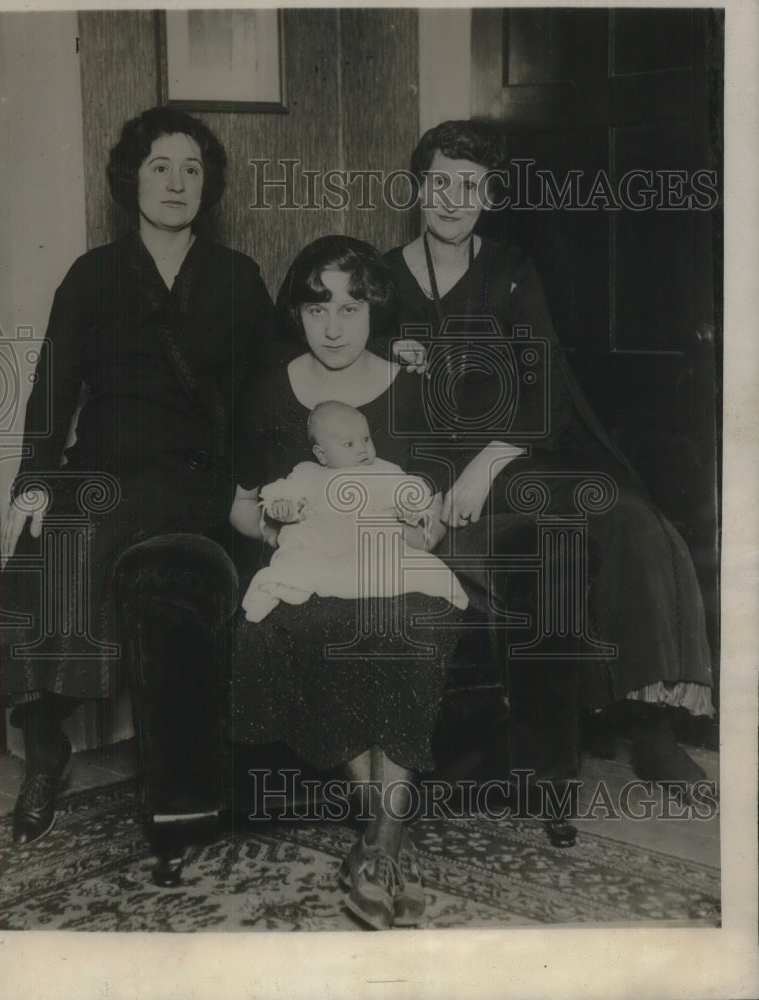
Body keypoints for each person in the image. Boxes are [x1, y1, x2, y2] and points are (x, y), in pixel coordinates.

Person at [378, 119, 715, 796]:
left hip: (515, 458)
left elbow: (546, 384)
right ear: (418, 187)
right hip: (431, 479)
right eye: (440, 182)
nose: (452, 199)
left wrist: (490, 460)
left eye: (469, 186)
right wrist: (383, 355)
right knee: (554, 550)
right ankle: (585, 717)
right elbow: (333, 368)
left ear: (490, 195)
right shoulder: (382, 281)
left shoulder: (511, 270)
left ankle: (652, 724)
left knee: (629, 518)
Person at [0, 106, 276, 867]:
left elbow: (264, 401)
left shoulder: (238, 281)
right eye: (160, 166)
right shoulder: (91, 275)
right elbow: (52, 393)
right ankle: (45, 740)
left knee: (91, 528)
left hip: (198, 478)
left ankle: (59, 729)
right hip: (103, 468)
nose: (176, 182)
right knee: (36, 551)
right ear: (132, 179)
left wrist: (259, 492)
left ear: (208, 185)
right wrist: (32, 481)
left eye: (191, 169)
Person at [228, 236, 466, 930]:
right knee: (323, 627)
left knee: (412, 626)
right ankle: (386, 843)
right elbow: (241, 500)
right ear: (297, 313)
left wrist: (427, 535)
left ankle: (376, 843)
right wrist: (274, 534)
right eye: (316, 307)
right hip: (311, 567)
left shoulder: (409, 384)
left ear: (375, 310)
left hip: (391, 561)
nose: (332, 326)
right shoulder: (270, 389)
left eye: (350, 307)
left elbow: (430, 499)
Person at [241, 400, 468, 621]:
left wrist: (409, 510)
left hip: (372, 545)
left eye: (366, 439)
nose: (362, 449)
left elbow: (412, 493)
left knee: (414, 565)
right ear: (321, 454)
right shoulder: (309, 474)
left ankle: (444, 594)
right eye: (349, 444)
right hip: (322, 545)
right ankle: (276, 591)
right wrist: (283, 506)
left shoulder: (384, 470)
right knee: (293, 561)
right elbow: (282, 493)